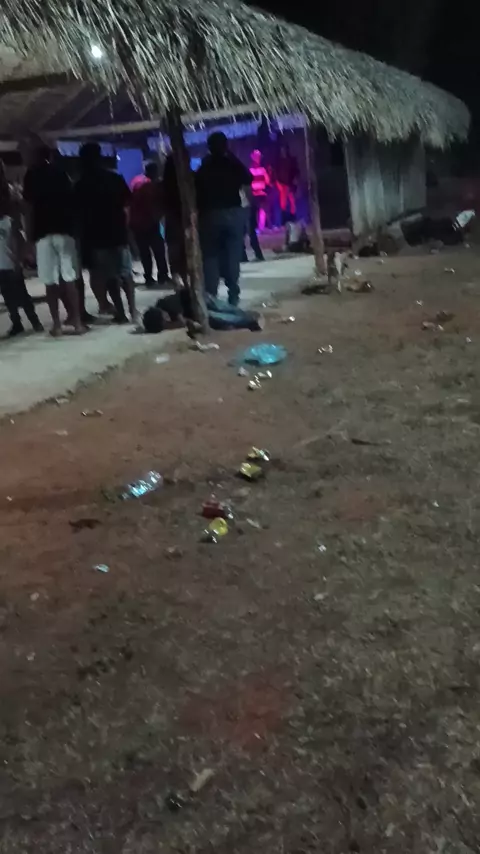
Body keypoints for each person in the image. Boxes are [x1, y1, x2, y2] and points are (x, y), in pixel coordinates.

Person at [73, 142, 138, 325]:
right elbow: (127, 205)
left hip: (96, 237)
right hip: (118, 232)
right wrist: (127, 229)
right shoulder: (114, 178)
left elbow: (77, 214)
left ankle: (121, 313)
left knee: (110, 277)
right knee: (125, 273)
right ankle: (133, 310)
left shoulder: (80, 185)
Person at [23, 145, 82, 336]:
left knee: (50, 282)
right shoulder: (61, 173)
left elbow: (29, 208)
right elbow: (72, 203)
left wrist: (29, 238)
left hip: (42, 233)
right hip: (64, 230)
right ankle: (77, 322)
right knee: (69, 279)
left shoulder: (31, 175)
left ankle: (57, 325)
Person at [196, 132, 252, 306]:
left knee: (211, 256)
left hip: (210, 214)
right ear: (226, 146)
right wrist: (232, 156)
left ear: (209, 148)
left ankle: (211, 295)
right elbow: (248, 178)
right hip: (232, 213)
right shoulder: (231, 164)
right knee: (232, 254)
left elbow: (196, 189)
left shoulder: (204, 168)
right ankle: (233, 292)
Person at [0, 163, 42, 337]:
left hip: (9, 246)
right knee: (11, 291)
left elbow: (19, 230)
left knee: (15, 290)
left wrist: (22, 255)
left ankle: (29, 321)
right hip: (8, 245)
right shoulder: (11, 194)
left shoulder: (10, 195)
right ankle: (25, 321)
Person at [130, 162, 169, 287]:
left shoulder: (137, 181)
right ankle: (162, 276)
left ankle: (149, 278)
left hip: (137, 223)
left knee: (145, 252)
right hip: (149, 222)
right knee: (159, 250)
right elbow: (154, 206)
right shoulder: (152, 186)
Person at [162, 153, 188, 287]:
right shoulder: (187, 181)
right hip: (186, 220)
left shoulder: (164, 185)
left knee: (174, 251)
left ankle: (177, 279)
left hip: (171, 221)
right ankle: (186, 280)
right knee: (185, 252)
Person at [274, 143, 299, 224]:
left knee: (292, 201)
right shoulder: (278, 162)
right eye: (282, 150)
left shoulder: (291, 160)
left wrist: (295, 180)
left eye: (284, 149)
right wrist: (278, 183)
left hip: (290, 184)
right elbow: (275, 173)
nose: (283, 151)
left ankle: (293, 217)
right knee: (283, 203)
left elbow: (295, 171)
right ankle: (284, 219)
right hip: (282, 184)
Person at [249, 149, 270, 236]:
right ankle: (254, 228)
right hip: (254, 194)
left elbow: (267, 181)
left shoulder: (262, 170)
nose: (257, 159)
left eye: (258, 157)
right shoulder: (250, 170)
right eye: (256, 157)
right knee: (254, 211)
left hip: (261, 193)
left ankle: (261, 228)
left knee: (262, 211)